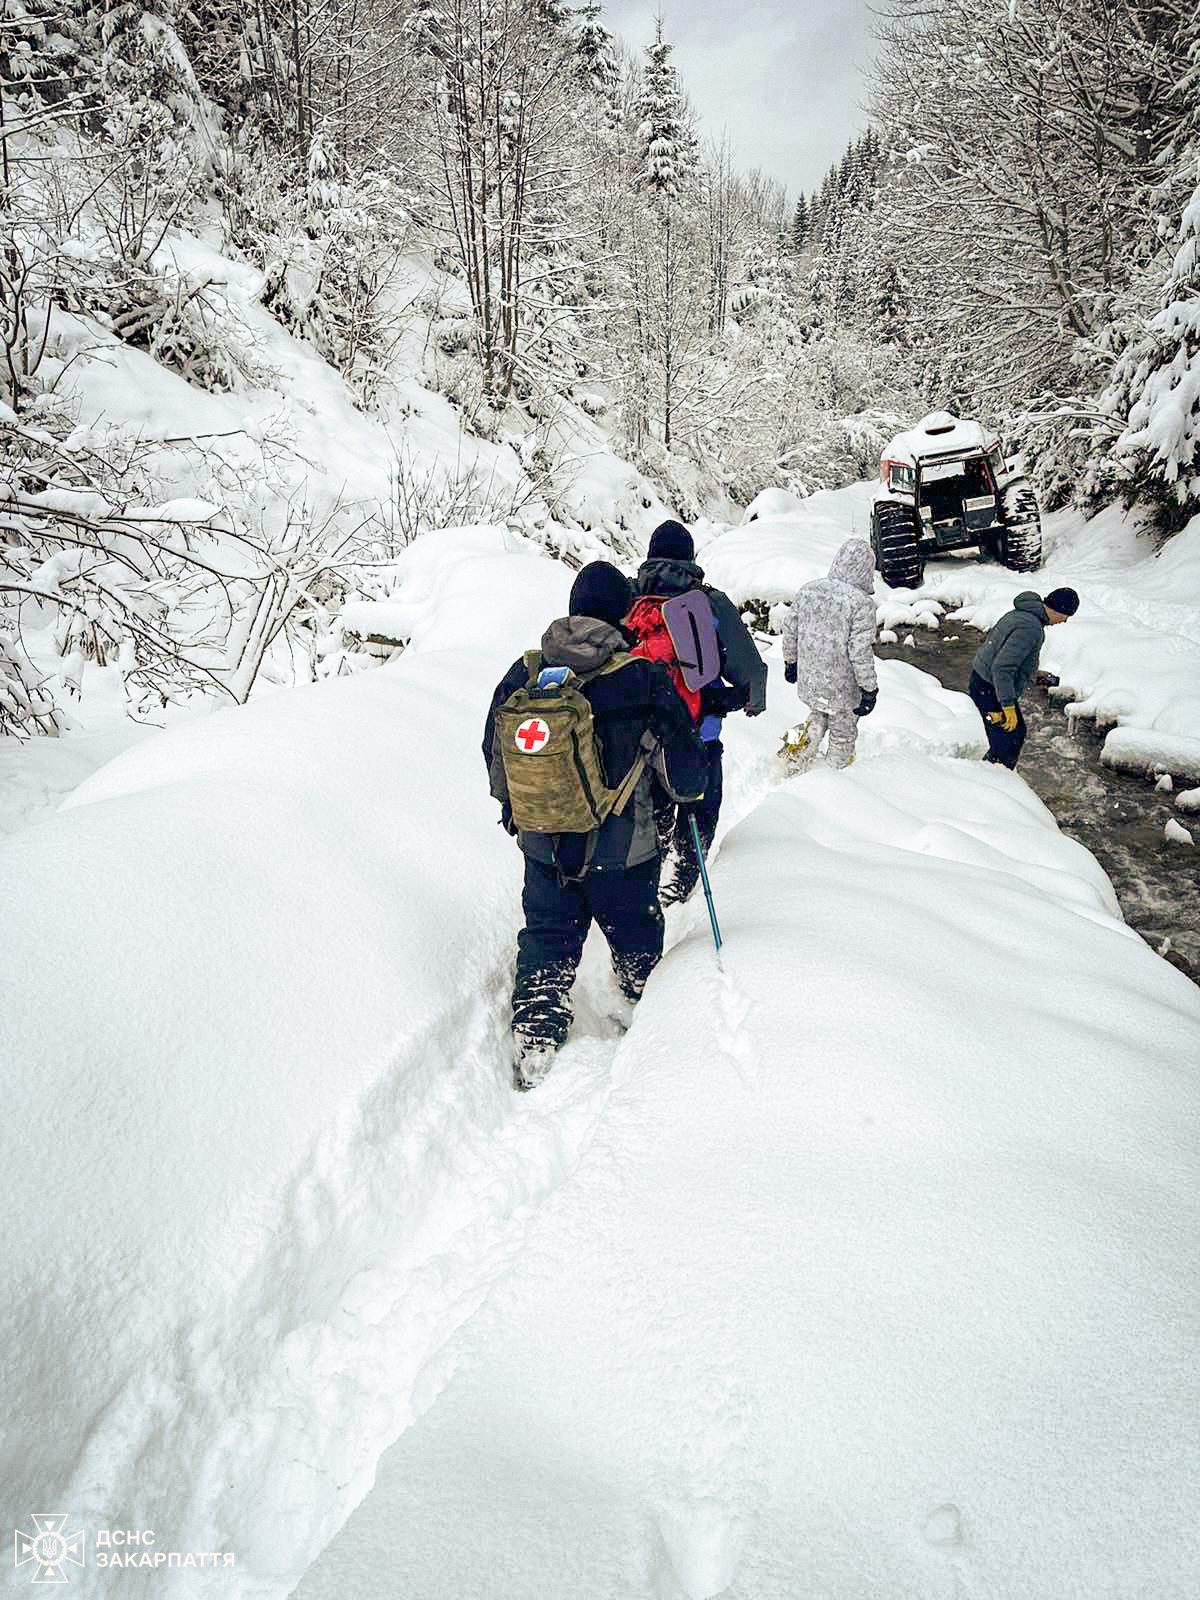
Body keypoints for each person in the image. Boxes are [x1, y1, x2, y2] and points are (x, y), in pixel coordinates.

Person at [483, 560, 708, 1091]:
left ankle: (537, 1036)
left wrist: (523, 817)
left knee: (547, 936)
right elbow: (685, 776)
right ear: (622, 612)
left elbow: (496, 757)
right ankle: (640, 1010)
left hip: (542, 845)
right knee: (635, 937)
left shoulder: (525, 671)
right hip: (624, 850)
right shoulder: (641, 676)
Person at [628, 519, 767, 904]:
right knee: (701, 808)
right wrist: (749, 701)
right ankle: (684, 878)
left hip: (642, 737)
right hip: (698, 734)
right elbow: (749, 670)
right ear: (691, 558)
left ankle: (649, 866)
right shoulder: (709, 602)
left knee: (652, 805)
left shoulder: (629, 598)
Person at [781, 538, 879, 770]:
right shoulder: (861, 604)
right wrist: (869, 688)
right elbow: (860, 651)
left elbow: (790, 629)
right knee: (843, 732)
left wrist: (790, 662)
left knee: (815, 717)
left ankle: (789, 755)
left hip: (811, 679)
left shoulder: (808, 590)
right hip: (843, 687)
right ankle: (832, 775)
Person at [969, 586, 1079, 769]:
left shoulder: (1021, 613)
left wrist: (1032, 675)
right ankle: (991, 782)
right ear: (1059, 609)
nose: (1065, 621)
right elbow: (1002, 668)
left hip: (983, 682)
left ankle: (989, 775)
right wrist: (1007, 706)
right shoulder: (1031, 628)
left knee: (1011, 738)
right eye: (1066, 616)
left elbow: (1000, 652)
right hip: (990, 688)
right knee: (1008, 743)